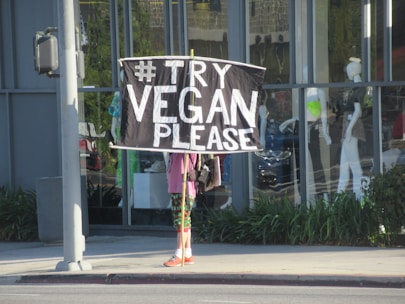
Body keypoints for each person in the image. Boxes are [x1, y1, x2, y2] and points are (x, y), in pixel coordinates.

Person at [337, 57, 366, 200]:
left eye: (349, 70)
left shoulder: (358, 87)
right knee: (344, 167)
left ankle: (359, 198)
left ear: (353, 71)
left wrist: (349, 129)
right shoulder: (354, 86)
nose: (347, 73)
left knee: (355, 167)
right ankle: (338, 200)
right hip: (348, 126)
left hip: (351, 127)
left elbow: (358, 111)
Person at [164, 152, 197, 267]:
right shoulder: (174, 152)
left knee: (181, 220)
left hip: (183, 188)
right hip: (177, 187)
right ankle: (187, 253)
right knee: (185, 220)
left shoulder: (184, 149)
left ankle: (179, 254)